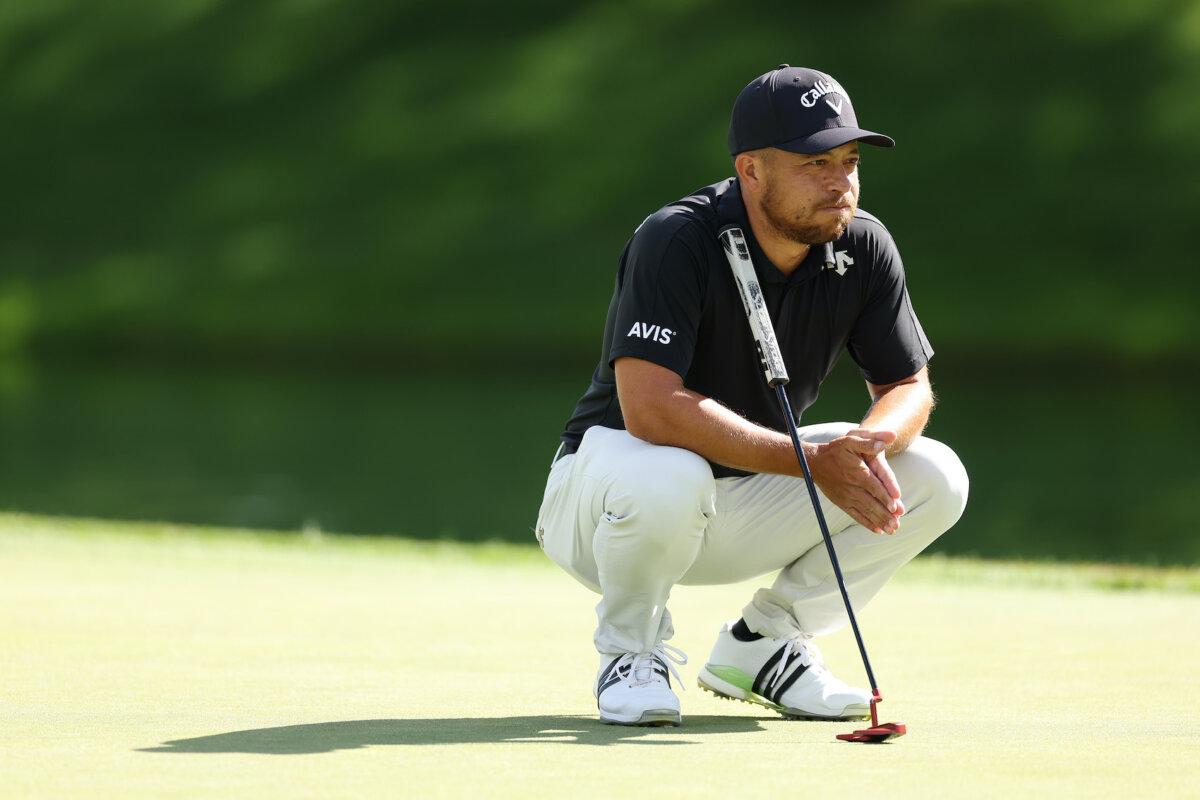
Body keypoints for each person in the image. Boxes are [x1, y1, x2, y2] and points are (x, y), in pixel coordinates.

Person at [534, 65, 969, 727]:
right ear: (752, 170)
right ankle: (631, 654)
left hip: (745, 496)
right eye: (815, 163)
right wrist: (810, 463)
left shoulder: (863, 245)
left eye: (850, 161)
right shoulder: (676, 239)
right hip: (607, 502)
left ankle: (765, 645)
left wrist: (873, 443)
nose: (840, 182)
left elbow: (908, 385)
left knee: (934, 474)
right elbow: (649, 409)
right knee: (670, 474)